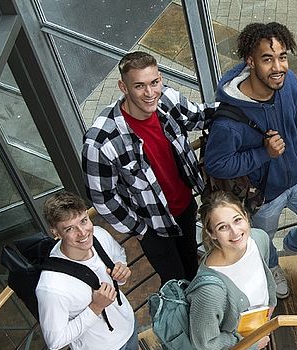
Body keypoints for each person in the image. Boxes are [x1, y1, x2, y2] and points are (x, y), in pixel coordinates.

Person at [205, 22, 297, 300]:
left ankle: (295, 245)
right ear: (250, 62)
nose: (278, 66)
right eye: (267, 59)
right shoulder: (229, 121)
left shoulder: (289, 83)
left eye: (283, 56)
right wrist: (264, 154)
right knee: (263, 243)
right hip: (263, 196)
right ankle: (273, 266)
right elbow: (216, 164)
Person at [83, 51, 216, 286]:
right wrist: (140, 230)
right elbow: (102, 198)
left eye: (154, 82)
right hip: (153, 226)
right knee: (175, 283)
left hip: (185, 208)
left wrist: (249, 97)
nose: (150, 93)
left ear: (160, 78)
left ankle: (199, 305)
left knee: (192, 266)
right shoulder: (101, 141)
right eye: (139, 86)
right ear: (123, 87)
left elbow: (201, 116)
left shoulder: (167, 100)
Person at [36, 192, 157, 350]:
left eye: (83, 221)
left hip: (126, 324)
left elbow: (120, 254)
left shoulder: (99, 236)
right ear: (55, 233)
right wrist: (94, 307)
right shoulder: (51, 287)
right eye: (70, 228)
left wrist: (121, 271)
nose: (82, 233)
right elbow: (55, 340)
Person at [189, 191, 277, 350]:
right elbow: (206, 342)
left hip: (259, 328)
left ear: (246, 217)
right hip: (236, 348)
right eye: (222, 227)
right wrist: (248, 343)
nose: (236, 232)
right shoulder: (210, 290)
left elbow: (265, 273)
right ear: (211, 234)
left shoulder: (258, 239)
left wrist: (270, 307)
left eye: (237, 220)